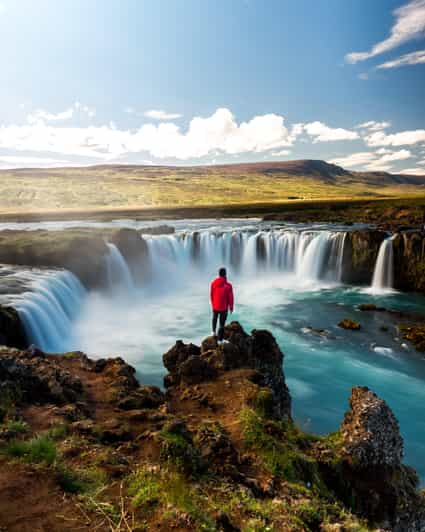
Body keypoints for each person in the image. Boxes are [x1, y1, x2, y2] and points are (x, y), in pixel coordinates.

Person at [210, 267, 234, 344]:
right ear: (225, 274)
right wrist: (231, 307)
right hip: (224, 307)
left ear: (219, 274)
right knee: (222, 323)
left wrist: (213, 303)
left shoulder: (213, 283)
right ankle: (220, 340)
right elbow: (230, 297)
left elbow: (211, 294)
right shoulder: (228, 285)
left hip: (215, 305)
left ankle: (213, 332)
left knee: (214, 318)